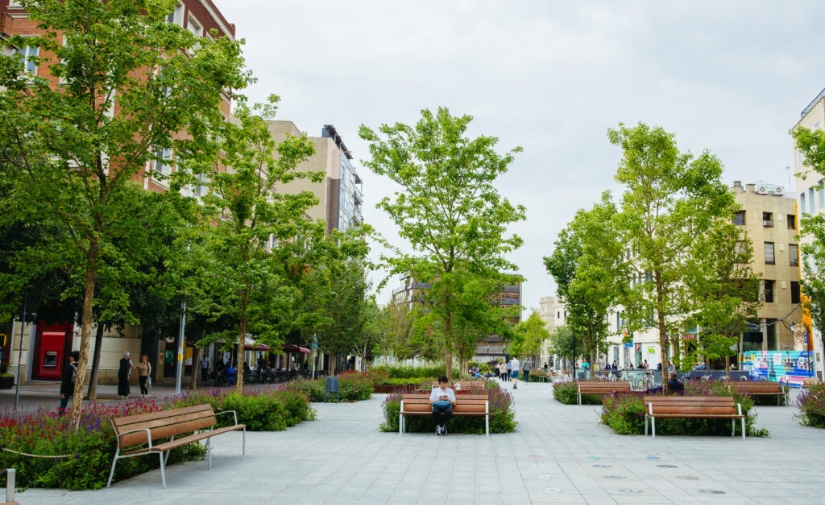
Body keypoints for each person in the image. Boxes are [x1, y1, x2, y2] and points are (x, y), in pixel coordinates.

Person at [59, 350, 80, 415]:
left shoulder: (69, 367)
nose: (69, 357)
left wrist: (62, 391)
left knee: (63, 403)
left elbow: (65, 380)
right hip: (76, 388)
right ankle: (75, 415)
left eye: (70, 356)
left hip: (68, 388)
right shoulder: (80, 367)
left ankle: (60, 416)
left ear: (73, 358)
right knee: (76, 404)